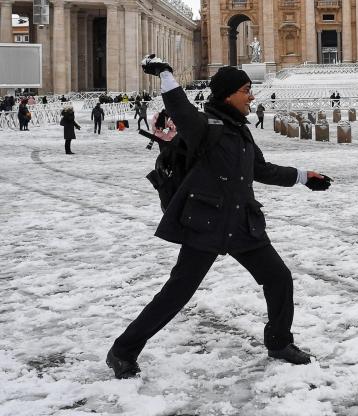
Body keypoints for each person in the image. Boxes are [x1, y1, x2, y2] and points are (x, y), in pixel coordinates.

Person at [106, 59, 333, 379]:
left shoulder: (240, 131)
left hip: (242, 224)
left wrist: (303, 177)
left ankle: (280, 342)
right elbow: (181, 109)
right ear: (228, 95)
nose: (251, 97)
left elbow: (261, 170)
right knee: (177, 293)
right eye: (246, 90)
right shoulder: (205, 125)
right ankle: (122, 351)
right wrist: (167, 74)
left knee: (279, 278)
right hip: (207, 224)